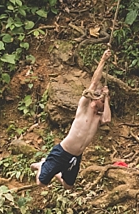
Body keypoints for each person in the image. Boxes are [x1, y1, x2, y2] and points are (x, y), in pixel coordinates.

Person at [31, 48, 113, 188]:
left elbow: (107, 120)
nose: (103, 105)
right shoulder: (84, 106)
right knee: (41, 183)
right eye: (102, 101)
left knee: (68, 186)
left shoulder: (98, 117)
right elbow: (94, 82)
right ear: (96, 98)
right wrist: (103, 60)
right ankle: (42, 165)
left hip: (76, 156)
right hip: (63, 151)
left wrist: (107, 98)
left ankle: (58, 173)